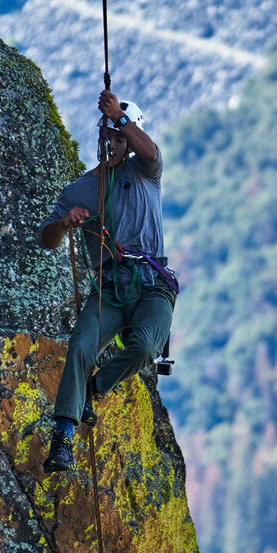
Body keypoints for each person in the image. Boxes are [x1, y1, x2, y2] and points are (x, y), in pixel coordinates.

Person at [36, 90, 177, 472]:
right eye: (107, 137)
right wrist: (64, 223)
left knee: (145, 346)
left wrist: (119, 117)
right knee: (81, 344)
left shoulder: (144, 172)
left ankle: (93, 388)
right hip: (111, 288)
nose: (111, 144)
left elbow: (150, 151)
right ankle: (63, 435)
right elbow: (46, 239)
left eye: (118, 138)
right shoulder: (80, 190)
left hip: (152, 282)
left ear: (127, 141)